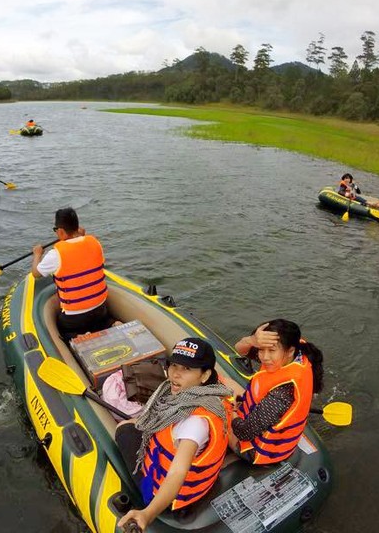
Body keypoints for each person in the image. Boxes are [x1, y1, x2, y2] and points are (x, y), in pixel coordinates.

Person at [116, 338, 232, 530]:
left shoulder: (194, 424)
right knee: (137, 424)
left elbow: (178, 472)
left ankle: (146, 497)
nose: (175, 375)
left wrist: (148, 513)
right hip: (198, 485)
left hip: (171, 497)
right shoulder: (214, 391)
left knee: (125, 429)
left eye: (187, 369)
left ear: (205, 375)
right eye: (174, 366)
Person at [229, 319, 324, 465]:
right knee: (224, 385)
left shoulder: (283, 393)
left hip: (259, 451)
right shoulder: (293, 354)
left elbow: (244, 432)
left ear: (290, 350)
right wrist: (251, 340)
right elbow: (240, 349)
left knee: (218, 408)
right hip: (268, 422)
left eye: (271, 351)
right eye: (260, 349)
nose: (264, 357)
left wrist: (232, 411)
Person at [31, 208, 113, 342]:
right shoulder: (95, 243)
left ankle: (78, 336)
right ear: (77, 227)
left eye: (56, 230)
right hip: (100, 310)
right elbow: (80, 252)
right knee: (101, 321)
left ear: (61, 231)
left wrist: (37, 254)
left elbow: (36, 273)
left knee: (62, 329)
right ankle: (111, 324)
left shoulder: (55, 255)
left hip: (75, 319)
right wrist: (81, 235)